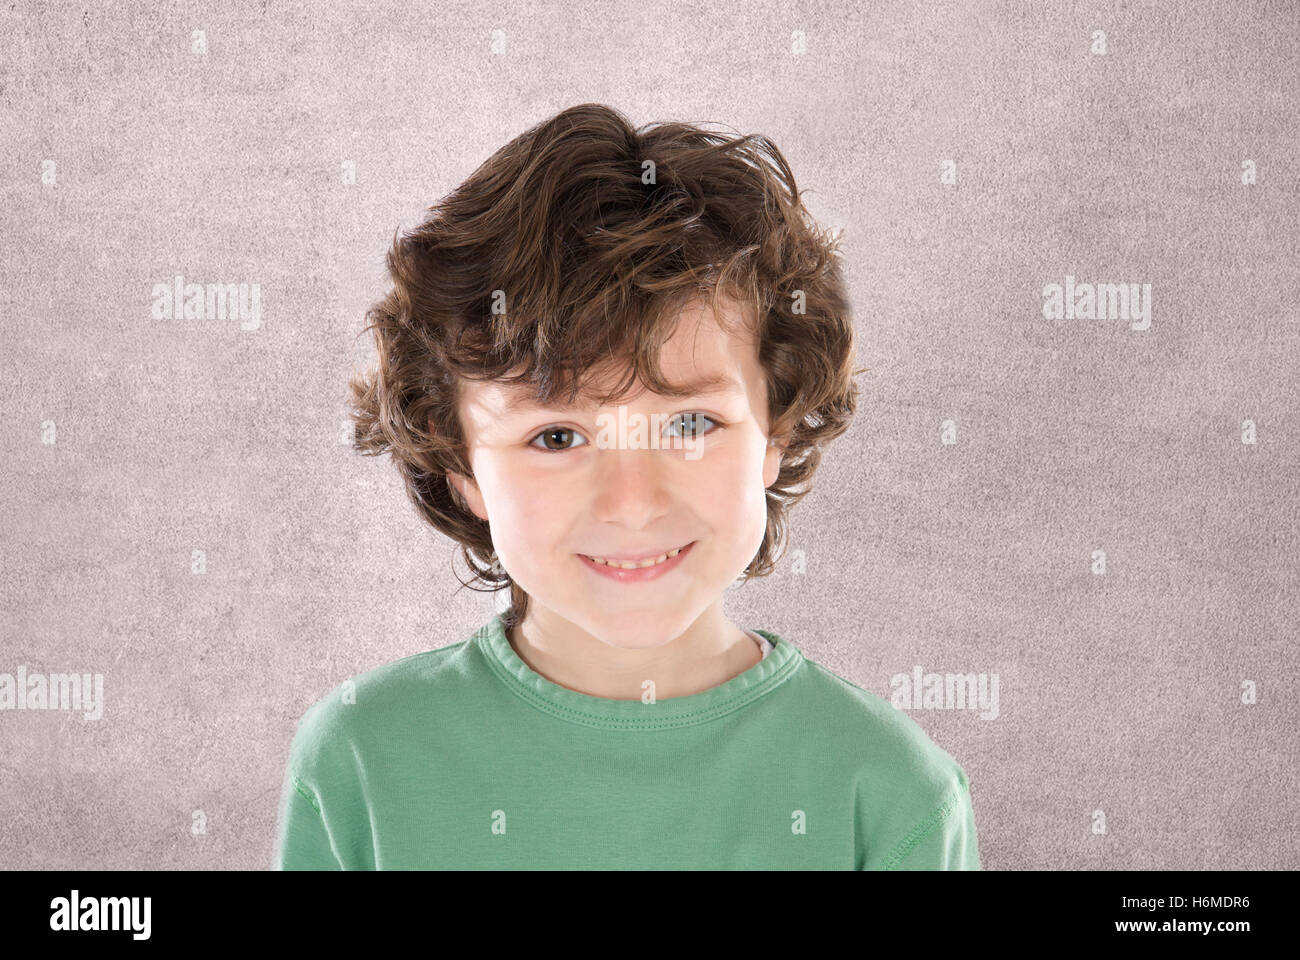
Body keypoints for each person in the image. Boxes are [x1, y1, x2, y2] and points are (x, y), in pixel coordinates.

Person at [273, 103, 980, 869]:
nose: (633, 503)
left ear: (776, 432)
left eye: (689, 425)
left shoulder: (889, 796)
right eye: (556, 437)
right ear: (462, 469)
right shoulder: (359, 766)